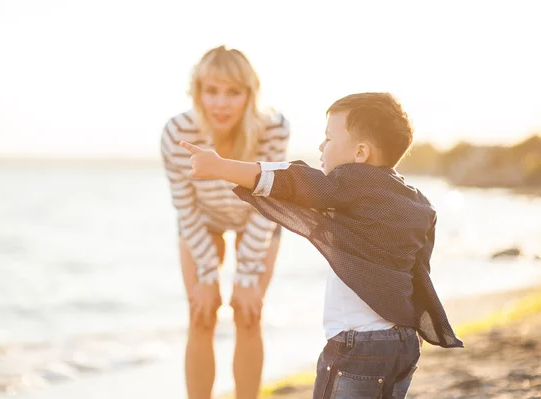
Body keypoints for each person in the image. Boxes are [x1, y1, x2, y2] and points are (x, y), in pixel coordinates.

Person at [179, 92, 463, 399]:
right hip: (405, 341)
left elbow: (290, 181)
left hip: (358, 345)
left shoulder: (349, 184)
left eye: (328, 138)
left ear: (360, 153)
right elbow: (420, 268)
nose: (320, 147)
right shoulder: (416, 201)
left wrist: (219, 167)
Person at [159, 45, 291, 399]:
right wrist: (206, 275)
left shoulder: (273, 128)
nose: (221, 103)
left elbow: (270, 198)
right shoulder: (176, 133)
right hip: (204, 219)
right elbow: (184, 209)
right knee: (201, 313)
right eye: (211, 91)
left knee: (248, 314)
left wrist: (246, 275)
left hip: (259, 214)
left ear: (250, 94)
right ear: (197, 91)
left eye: (233, 92)